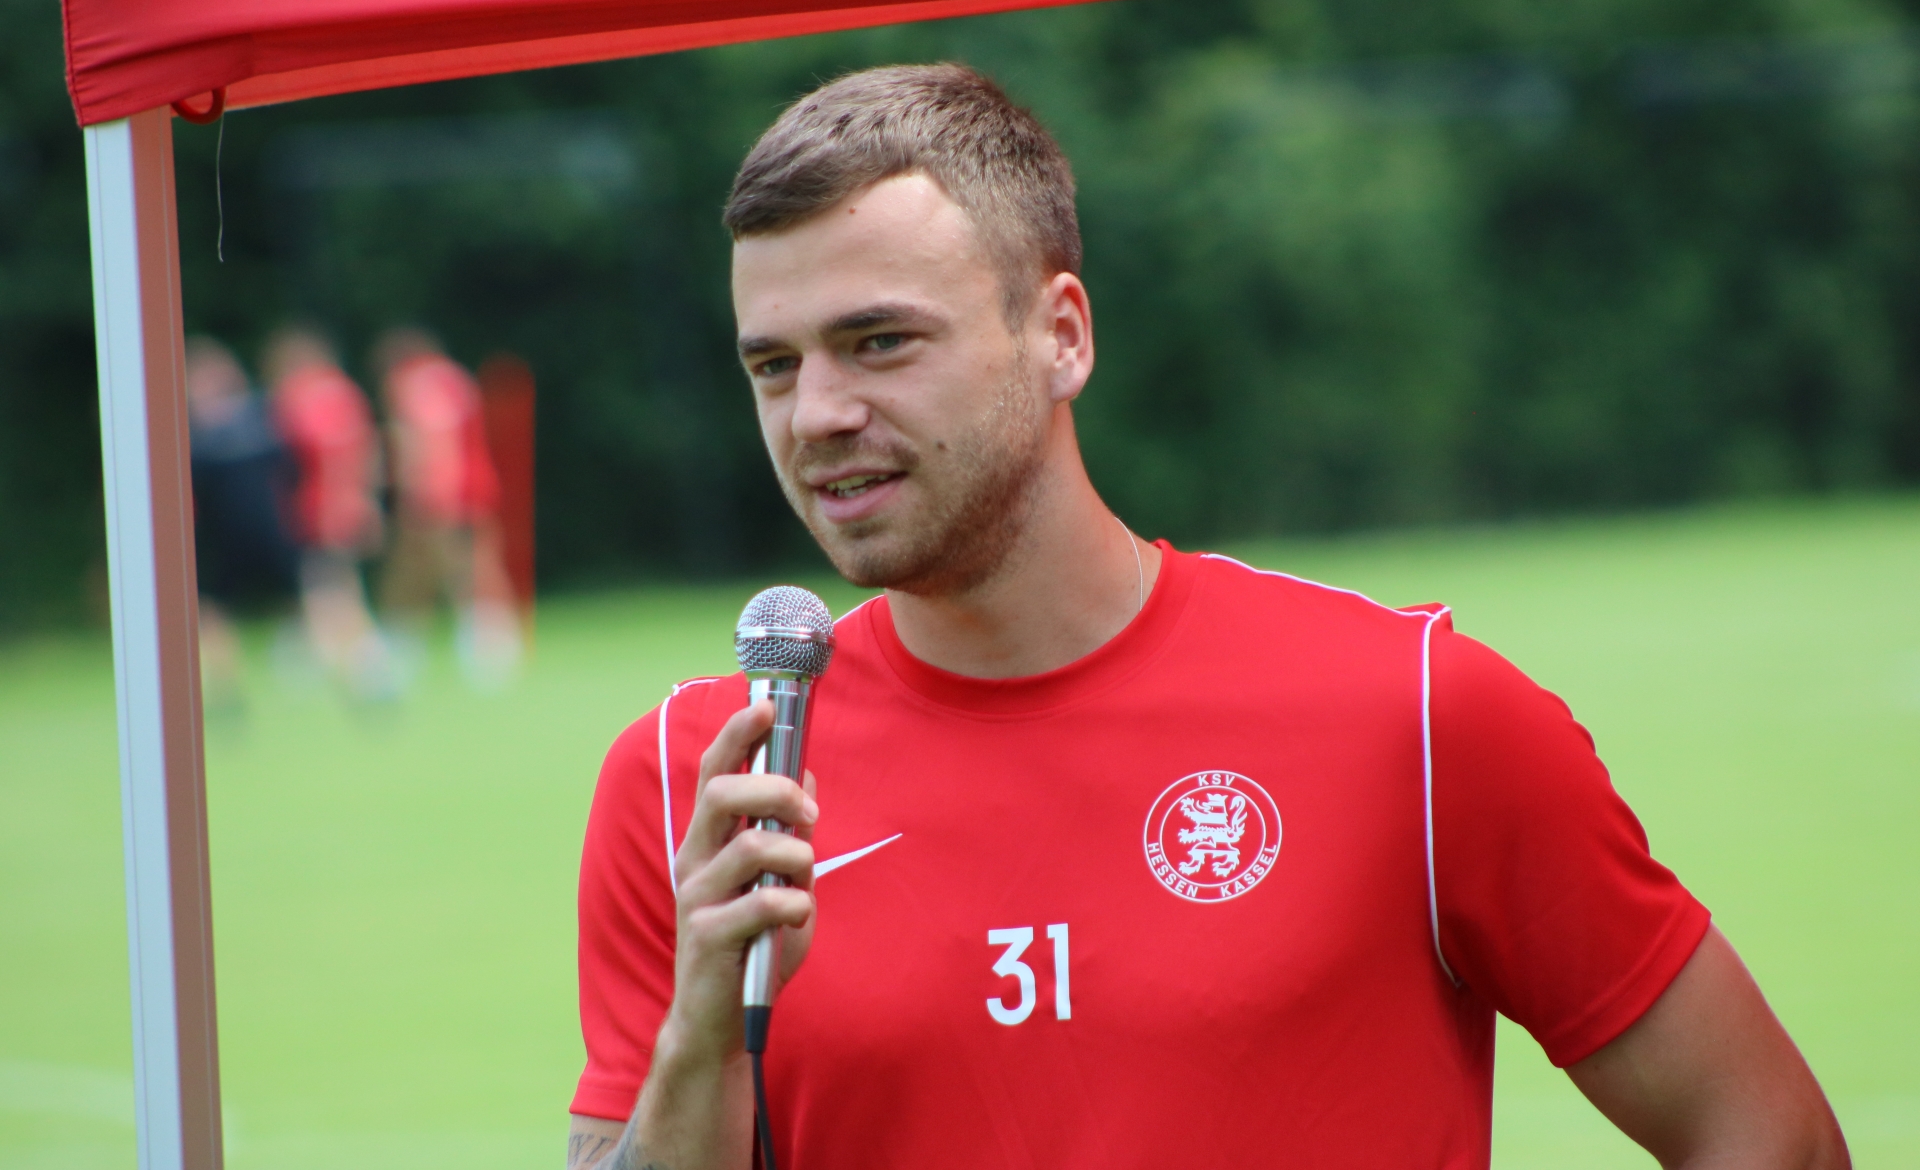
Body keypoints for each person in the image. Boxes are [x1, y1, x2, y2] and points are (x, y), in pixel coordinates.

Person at [566, 65, 1847, 1170]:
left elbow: (1768, 1135)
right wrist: (698, 1039)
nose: (816, 414)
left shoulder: (1413, 712)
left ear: (1061, 334)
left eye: (881, 341)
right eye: (773, 364)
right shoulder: (699, 783)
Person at [374, 328, 521, 685]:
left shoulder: (418, 384)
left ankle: (417, 649)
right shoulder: (453, 377)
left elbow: (432, 440)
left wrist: (426, 491)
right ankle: (492, 644)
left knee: (438, 570)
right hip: (475, 486)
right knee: (474, 565)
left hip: (442, 492)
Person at [265, 326, 394, 699]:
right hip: (345, 503)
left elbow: (319, 454)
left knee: (325, 585)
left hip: (319, 507)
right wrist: (366, 499)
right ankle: (345, 658)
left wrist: (338, 503)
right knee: (338, 582)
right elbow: (369, 449)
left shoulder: (301, 398)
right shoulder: (346, 393)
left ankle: (360, 663)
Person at [185, 336, 299, 713]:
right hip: (258, 531)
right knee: (213, 610)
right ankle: (225, 690)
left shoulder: (199, 434)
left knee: (213, 610)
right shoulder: (263, 417)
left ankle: (225, 690)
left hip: (240, 534)